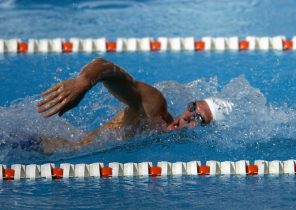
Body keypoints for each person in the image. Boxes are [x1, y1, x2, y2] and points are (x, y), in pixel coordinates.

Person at [37, 58, 233, 153]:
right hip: (40, 147)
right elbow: (105, 65)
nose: (188, 116)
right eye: (192, 108)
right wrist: (84, 83)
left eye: (198, 118)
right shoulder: (155, 110)